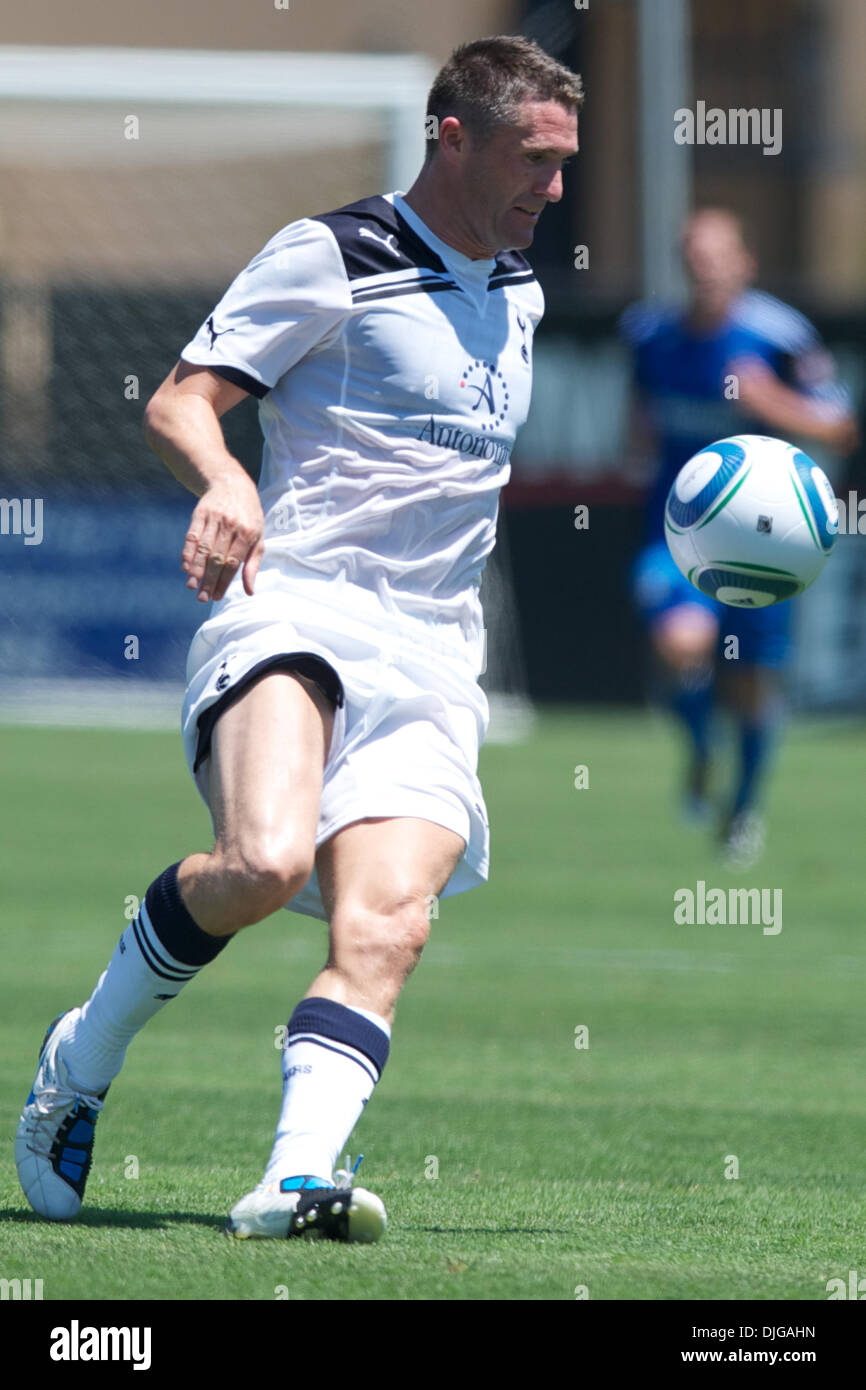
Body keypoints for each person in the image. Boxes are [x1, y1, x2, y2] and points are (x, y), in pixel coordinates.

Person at [16, 36, 582, 1241]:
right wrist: (224, 479)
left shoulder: (522, 289)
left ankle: (292, 1179)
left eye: (565, 164)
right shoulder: (334, 253)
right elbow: (181, 399)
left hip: (433, 654)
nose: (553, 188)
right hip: (296, 603)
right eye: (534, 160)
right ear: (453, 138)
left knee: (388, 924)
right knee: (265, 863)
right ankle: (78, 1061)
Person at [621, 208, 857, 866]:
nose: (707, 270)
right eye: (695, 258)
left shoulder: (780, 337)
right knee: (680, 645)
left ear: (744, 264)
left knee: (752, 686)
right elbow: (638, 423)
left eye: (719, 257)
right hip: (679, 538)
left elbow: (841, 428)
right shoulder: (650, 335)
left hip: (764, 543)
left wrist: (771, 405)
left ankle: (744, 806)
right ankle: (701, 750)